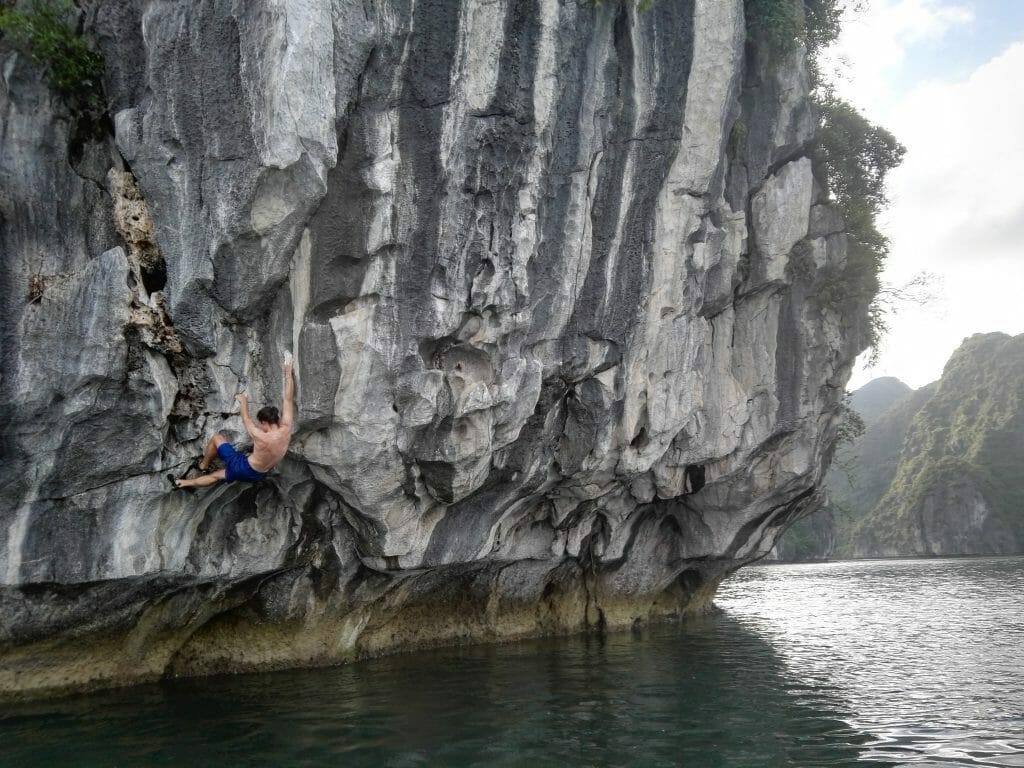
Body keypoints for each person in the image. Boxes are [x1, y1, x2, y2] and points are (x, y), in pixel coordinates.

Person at [171, 358, 295, 489]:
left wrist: (243, 401)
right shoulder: (286, 429)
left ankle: (201, 467)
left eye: (261, 424)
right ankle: (185, 482)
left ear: (265, 422)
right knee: (218, 475)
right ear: (276, 419)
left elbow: (246, 419)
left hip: (243, 467)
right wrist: (288, 373)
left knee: (217, 438)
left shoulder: (260, 436)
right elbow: (288, 400)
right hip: (259, 474)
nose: (260, 426)